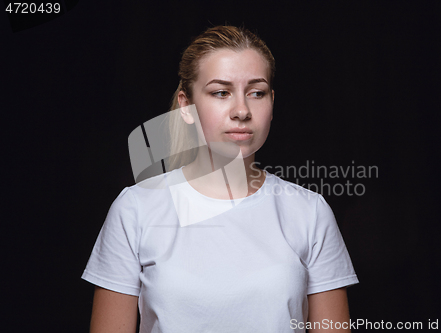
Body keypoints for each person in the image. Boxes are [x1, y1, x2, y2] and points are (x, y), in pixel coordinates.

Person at [82, 25, 359, 333]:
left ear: (271, 103)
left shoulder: (310, 212)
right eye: (221, 92)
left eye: (257, 93)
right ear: (186, 107)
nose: (241, 110)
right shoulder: (136, 208)